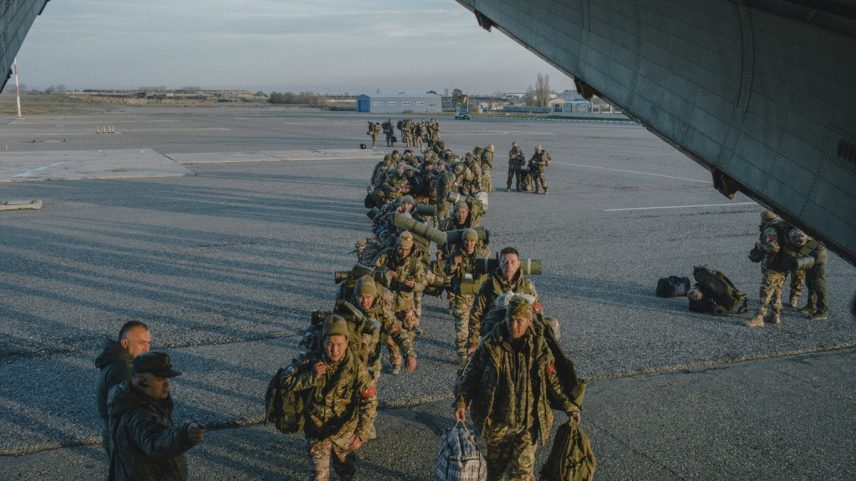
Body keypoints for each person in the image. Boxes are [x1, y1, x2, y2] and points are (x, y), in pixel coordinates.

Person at [454, 296, 580, 481]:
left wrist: (570, 407)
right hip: (497, 424)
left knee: (522, 475)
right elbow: (472, 374)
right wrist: (461, 402)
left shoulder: (539, 347)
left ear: (529, 321)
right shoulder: (490, 344)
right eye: (510, 319)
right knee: (495, 474)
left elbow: (552, 381)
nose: (514, 325)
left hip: (526, 426)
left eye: (520, 321)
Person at [283, 316, 378, 481]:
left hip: (344, 430)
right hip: (317, 430)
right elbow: (285, 380)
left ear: (347, 342)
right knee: (319, 477)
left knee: (344, 469)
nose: (334, 350)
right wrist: (311, 376)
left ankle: (345, 469)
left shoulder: (356, 367)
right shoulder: (311, 360)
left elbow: (369, 399)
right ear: (323, 342)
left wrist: (362, 433)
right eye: (329, 344)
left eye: (339, 345)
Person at [108, 352, 205, 481]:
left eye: (167, 378)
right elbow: (155, 442)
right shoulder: (139, 414)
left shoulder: (140, 401)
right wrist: (184, 434)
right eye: (160, 379)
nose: (167, 383)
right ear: (140, 381)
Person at [95, 321, 151, 459]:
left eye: (149, 343)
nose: (147, 349)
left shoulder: (114, 358)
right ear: (125, 343)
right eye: (141, 343)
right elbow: (125, 412)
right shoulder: (123, 369)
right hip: (123, 439)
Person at [467, 247, 539, 353]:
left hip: (521, 335)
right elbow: (475, 314)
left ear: (519, 264)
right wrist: (473, 343)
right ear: (499, 264)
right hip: (494, 337)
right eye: (505, 262)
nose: (509, 266)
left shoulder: (527, 286)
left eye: (513, 262)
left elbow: (537, 313)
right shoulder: (489, 285)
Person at [373, 232, 426, 371]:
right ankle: (395, 360)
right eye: (401, 248)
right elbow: (373, 269)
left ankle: (407, 355)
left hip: (406, 304)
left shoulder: (415, 262)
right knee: (391, 332)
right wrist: (386, 272)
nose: (403, 252)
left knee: (408, 333)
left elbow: (423, 283)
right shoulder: (387, 255)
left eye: (407, 249)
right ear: (396, 246)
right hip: (389, 304)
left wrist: (414, 285)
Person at [444, 229, 491, 367]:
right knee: (462, 327)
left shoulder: (483, 253)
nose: (469, 244)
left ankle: (479, 351)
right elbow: (446, 271)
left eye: (472, 241)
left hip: (479, 296)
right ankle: (462, 356)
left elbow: (490, 266)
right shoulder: (455, 253)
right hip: (462, 296)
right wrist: (453, 263)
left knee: (481, 325)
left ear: (476, 242)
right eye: (466, 240)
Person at [746, 211, 790, 327]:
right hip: (783, 265)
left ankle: (759, 317)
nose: (760, 220)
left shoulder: (769, 230)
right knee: (776, 291)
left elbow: (774, 248)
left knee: (765, 292)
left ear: (765, 219)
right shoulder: (781, 225)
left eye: (761, 218)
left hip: (773, 266)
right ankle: (775, 315)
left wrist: (760, 246)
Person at [785, 228, 829, 321]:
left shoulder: (800, 233)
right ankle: (811, 306)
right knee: (810, 282)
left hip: (818, 257)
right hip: (811, 256)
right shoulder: (798, 228)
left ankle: (822, 312)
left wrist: (798, 254)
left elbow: (803, 243)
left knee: (818, 284)